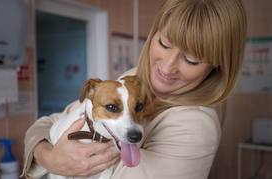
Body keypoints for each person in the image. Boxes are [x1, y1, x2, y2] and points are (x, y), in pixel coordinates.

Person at [22, 0, 247, 178]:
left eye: (191, 60)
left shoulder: (195, 126)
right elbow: (49, 122)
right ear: (153, 34)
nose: (167, 68)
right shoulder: (131, 80)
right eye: (164, 44)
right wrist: (49, 157)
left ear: (217, 66)